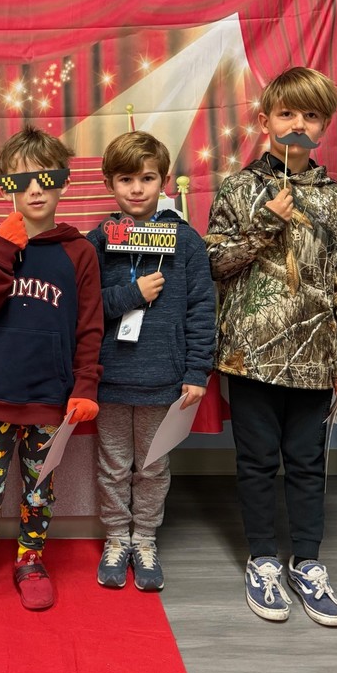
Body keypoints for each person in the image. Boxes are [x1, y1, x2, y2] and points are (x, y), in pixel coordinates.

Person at [204, 67, 337, 627]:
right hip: (251, 354)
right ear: (265, 120)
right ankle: (264, 561)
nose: (298, 126)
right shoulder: (238, 188)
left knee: (307, 461)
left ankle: (309, 563)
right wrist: (262, 226)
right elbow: (213, 264)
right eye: (287, 114)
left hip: (317, 358)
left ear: (323, 126)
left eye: (311, 116)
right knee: (254, 462)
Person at [0, 125, 104, 624]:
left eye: (45, 178)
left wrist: (86, 385)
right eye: (22, 179)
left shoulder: (80, 252)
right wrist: (6, 246)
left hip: (51, 398)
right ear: (6, 184)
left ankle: (31, 562)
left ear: (62, 183)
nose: (34, 189)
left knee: (38, 488)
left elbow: (90, 326)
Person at [86, 131, 216, 592]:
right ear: (109, 183)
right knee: (114, 466)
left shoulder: (187, 243)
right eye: (126, 179)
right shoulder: (97, 242)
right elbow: (84, 308)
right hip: (112, 379)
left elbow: (203, 310)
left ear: (163, 181)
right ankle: (116, 539)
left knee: (154, 467)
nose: (137, 188)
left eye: (147, 178)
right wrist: (130, 295)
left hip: (165, 379)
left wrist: (197, 371)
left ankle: (144, 539)